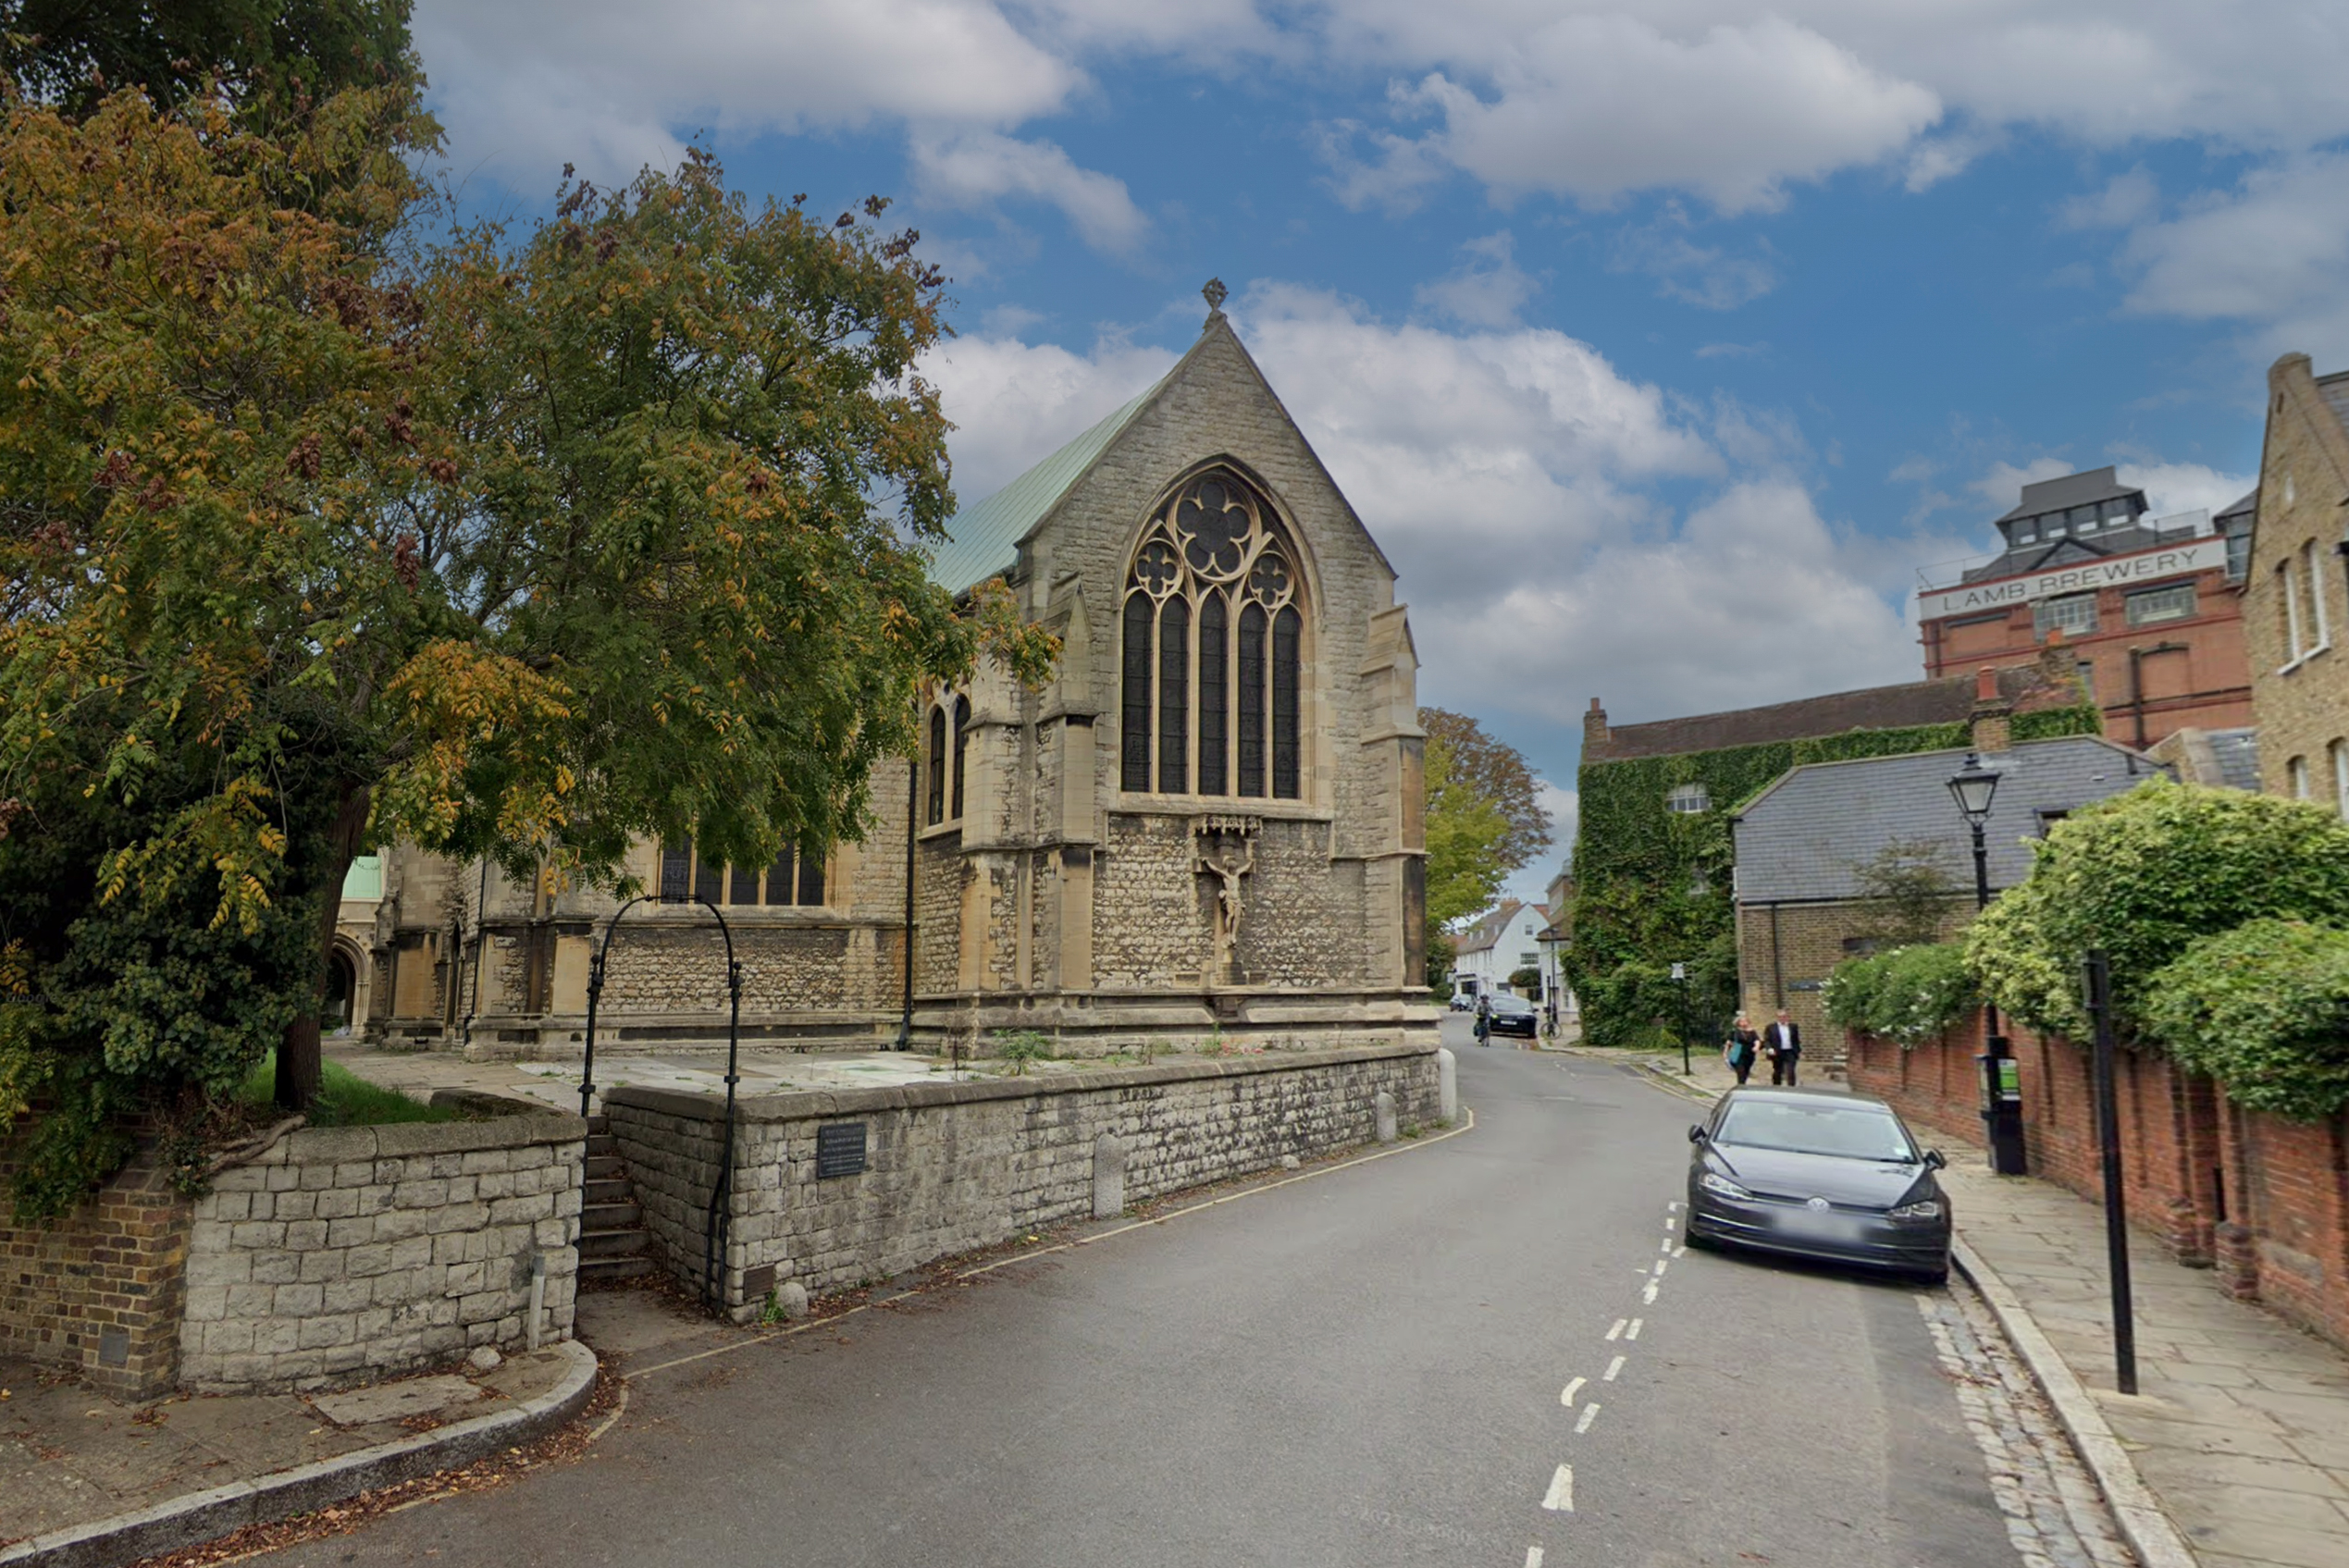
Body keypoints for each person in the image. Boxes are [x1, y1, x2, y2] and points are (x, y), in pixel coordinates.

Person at [1765, 1008, 1802, 1085]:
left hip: (1790, 1051)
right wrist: (1769, 1049)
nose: (1782, 1018)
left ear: (1788, 1017)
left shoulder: (1793, 1027)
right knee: (1777, 1071)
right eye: (1780, 1017)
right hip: (1777, 1052)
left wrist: (1798, 1051)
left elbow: (1796, 1040)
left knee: (1791, 1071)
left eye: (1784, 1016)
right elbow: (1767, 1040)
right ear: (1777, 1018)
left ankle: (1791, 1088)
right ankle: (1777, 1086)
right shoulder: (1771, 1027)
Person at [1724, 1013, 1761, 1086]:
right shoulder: (1735, 1031)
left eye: (1745, 1021)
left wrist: (1756, 1047)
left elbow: (1757, 1040)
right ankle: (1740, 1086)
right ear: (1738, 1023)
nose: (1744, 1023)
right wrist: (1725, 1052)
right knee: (1741, 1071)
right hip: (1737, 1052)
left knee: (1746, 1071)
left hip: (1749, 1053)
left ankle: (1742, 1084)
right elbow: (1729, 1042)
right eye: (1742, 1021)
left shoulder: (1752, 1032)